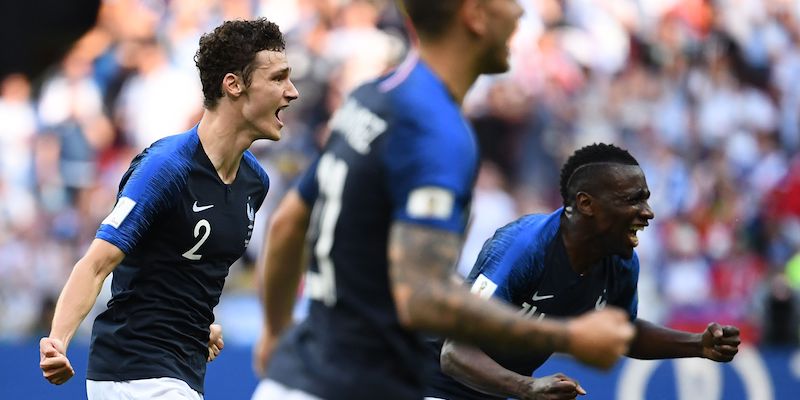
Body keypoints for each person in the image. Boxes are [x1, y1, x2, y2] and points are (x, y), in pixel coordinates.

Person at [251, 2, 635, 399]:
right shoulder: (436, 130)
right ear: (473, 15)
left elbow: (288, 223)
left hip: (295, 378)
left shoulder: (372, 97)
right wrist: (568, 335)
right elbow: (422, 298)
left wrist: (275, 333)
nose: (520, 12)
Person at [38, 18, 299, 399]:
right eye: (278, 78)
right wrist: (57, 342)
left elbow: (183, 268)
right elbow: (96, 264)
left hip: (180, 373)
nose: (291, 92)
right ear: (234, 84)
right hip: (132, 373)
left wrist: (198, 322)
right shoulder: (166, 168)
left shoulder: (255, 183)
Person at [424, 143, 742, 400]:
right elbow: (454, 354)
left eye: (646, 200)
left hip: (494, 392)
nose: (648, 213)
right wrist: (526, 387)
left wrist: (697, 345)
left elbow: (625, 333)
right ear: (587, 204)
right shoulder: (524, 247)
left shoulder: (620, 262)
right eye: (633, 200)